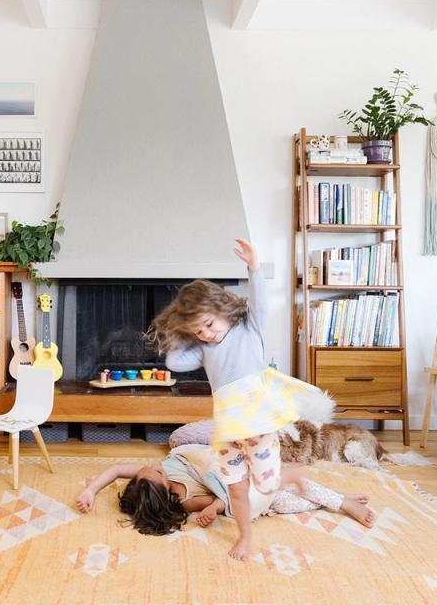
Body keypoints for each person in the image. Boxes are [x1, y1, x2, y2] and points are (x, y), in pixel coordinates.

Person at [145, 238, 347, 561]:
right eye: (199, 331)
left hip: (256, 426)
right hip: (228, 434)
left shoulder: (249, 327)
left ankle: (289, 475)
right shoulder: (203, 350)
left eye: (209, 325)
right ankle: (245, 537)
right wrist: (185, 332)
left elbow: (260, 300)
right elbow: (173, 363)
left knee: (266, 486)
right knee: (235, 489)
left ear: (223, 310)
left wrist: (253, 267)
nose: (207, 334)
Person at [74, 443, 375, 537]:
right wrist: (214, 508)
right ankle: (334, 501)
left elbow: (114, 470)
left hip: (240, 475)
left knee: (285, 480)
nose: (155, 464)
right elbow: (220, 500)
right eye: (155, 471)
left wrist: (91, 491)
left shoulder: (159, 471)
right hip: (254, 503)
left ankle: (343, 503)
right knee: (285, 500)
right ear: (162, 487)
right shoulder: (183, 500)